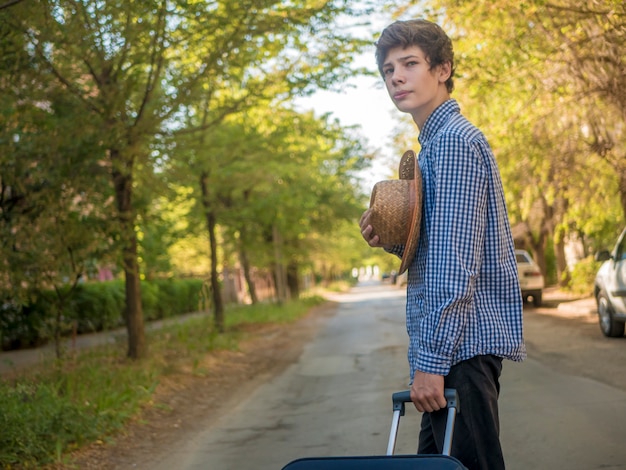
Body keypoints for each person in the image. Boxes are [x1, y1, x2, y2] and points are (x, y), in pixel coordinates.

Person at [359, 19, 526, 470]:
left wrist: (430, 363)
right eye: (388, 69)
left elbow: (456, 264)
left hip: (460, 350)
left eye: (410, 64)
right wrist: (393, 241)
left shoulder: (453, 142)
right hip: (451, 349)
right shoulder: (434, 146)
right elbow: (441, 247)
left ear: (443, 69)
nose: (396, 76)